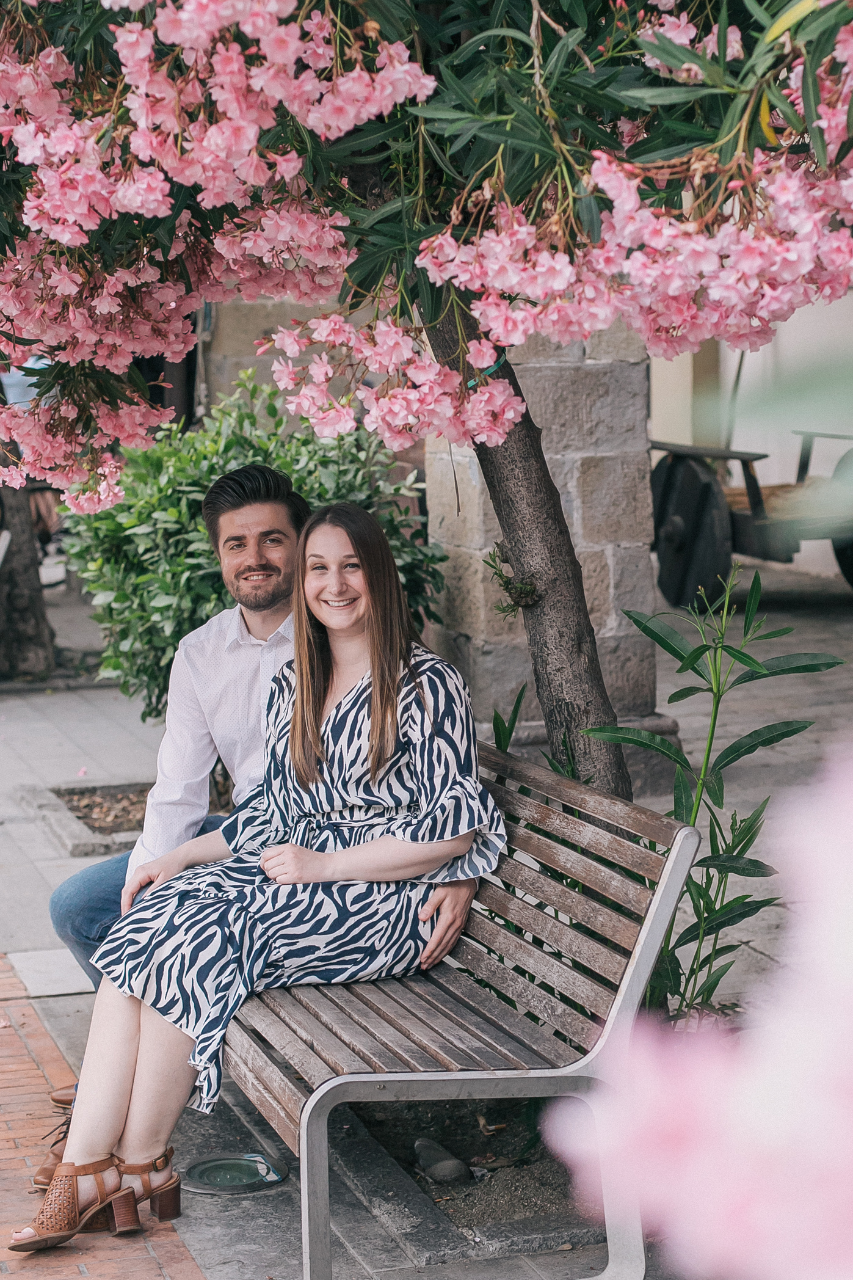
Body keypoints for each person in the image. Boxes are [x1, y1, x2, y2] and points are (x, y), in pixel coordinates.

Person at [10, 503, 504, 1252]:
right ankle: (101, 1167)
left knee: (208, 930)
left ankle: (131, 1165)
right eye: (319, 568)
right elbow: (269, 813)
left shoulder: (423, 683)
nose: (334, 584)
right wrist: (176, 857)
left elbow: (451, 828)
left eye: (350, 567)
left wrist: (326, 865)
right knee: (159, 910)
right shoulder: (296, 681)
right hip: (305, 880)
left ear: (378, 577)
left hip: (385, 899)